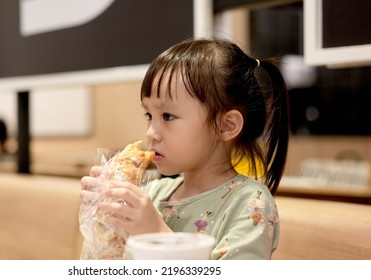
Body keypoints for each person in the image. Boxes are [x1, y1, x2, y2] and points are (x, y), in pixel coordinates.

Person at [80, 38, 290, 260]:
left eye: (168, 116)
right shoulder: (153, 193)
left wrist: (157, 235)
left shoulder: (250, 203)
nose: (151, 132)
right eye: (149, 115)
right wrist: (102, 221)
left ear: (226, 125)